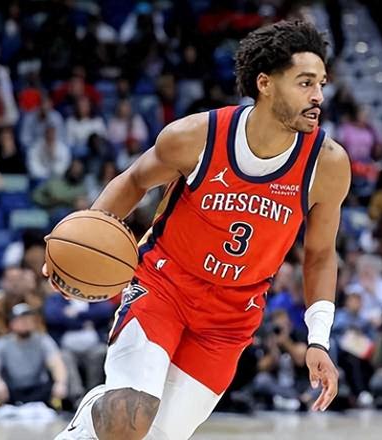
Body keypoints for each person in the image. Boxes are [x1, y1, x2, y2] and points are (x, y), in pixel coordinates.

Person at [52, 20, 349, 440]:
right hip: (164, 286)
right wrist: (80, 247)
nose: (318, 96)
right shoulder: (197, 136)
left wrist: (318, 339)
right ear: (265, 84)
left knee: (156, 436)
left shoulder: (328, 164)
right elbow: (134, 181)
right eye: (305, 83)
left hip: (231, 317)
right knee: (129, 416)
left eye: (321, 83)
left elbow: (319, 255)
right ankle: (97, 413)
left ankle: (89, 426)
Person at [0, 303, 67, 406]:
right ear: (12, 323)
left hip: (38, 390)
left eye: (29, 320)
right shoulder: (3, 343)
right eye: (21, 320)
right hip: (11, 391)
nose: (26, 323)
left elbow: (56, 363)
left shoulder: (43, 340)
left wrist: (60, 383)